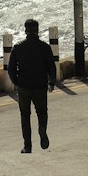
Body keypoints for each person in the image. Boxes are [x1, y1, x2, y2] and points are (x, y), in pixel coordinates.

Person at [8, 19, 56, 154]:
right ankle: (42, 129)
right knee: (42, 112)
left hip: (24, 86)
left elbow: (10, 69)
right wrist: (51, 82)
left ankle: (27, 146)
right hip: (40, 85)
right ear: (38, 30)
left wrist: (16, 82)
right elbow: (51, 67)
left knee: (25, 115)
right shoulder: (45, 47)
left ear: (25, 30)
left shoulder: (18, 47)